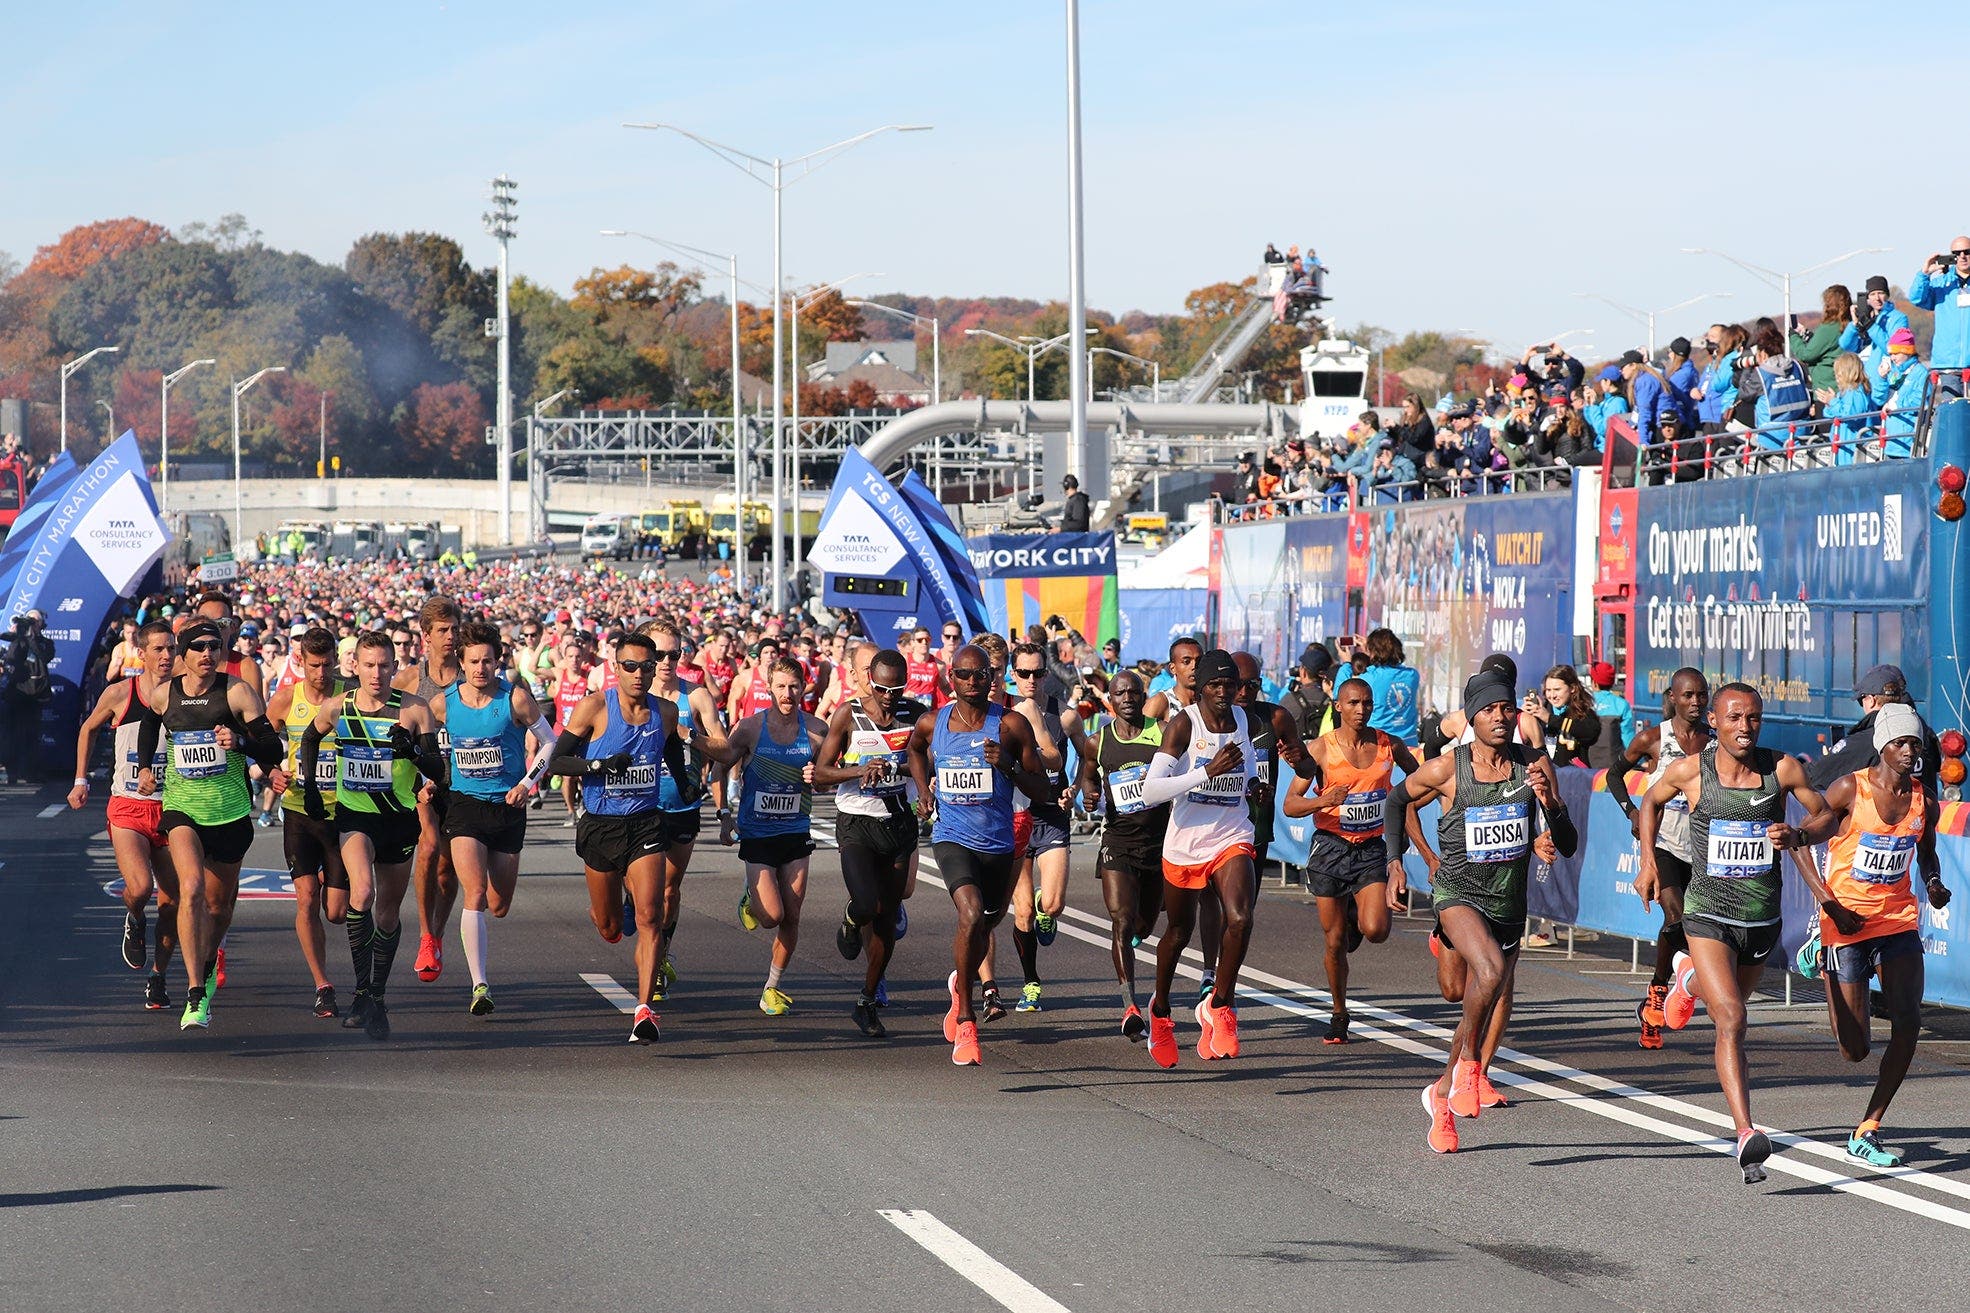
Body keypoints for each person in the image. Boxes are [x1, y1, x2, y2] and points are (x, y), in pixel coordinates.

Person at [1636, 683, 1827, 1183]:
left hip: (1761, 919)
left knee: (1728, 1002)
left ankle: (1688, 981)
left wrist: (1800, 834)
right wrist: (1649, 862)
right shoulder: (1690, 772)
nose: (1746, 727)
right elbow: (1649, 802)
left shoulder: (1781, 768)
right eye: (1736, 718)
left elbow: (1827, 813)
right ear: (1716, 723)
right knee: (1733, 1020)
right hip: (1708, 914)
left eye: (1755, 718)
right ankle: (1745, 1132)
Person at [1386, 669, 1575, 1153]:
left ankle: (1441, 1097)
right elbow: (1396, 800)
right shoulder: (1450, 767)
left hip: (1508, 903)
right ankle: (1471, 1066)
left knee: (1477, 999)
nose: (1499, 717)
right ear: (1472, 716)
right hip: (1457, 894)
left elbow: (1568, 842)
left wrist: (1548, 805)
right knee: (1488, 974)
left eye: (1506, 708)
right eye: (1489, 709)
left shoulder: (1532, 764)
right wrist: (1400, 863)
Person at [1788, 704, 1950, 1168]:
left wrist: (1934, 884)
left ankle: (1868, 1128)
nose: (1909, 751)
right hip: (1846, 924)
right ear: (1882, 746)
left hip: (1898, 920)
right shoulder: (1849, 789)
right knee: (1854, 1050)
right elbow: (1802, 840)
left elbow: (1927, 854)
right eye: (1900, 743)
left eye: (1915, 743)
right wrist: (1828, 904)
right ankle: (1821, 956)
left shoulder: (1925, 799)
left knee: (1908, 1023)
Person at [133, 619, 288, 1030]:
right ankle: (195, 989)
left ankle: (207, 955)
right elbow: (150, 725)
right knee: (192, 889)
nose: (207, 654)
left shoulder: (236, 691)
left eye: (214, 647)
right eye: (198, 647)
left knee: (219, 909)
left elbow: (272, 746)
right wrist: (147, 766)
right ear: (183, 655)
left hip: (231, 813)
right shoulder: (166, 693)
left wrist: (240, 743)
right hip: (183, 809)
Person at [904, 643, 1051, 1066]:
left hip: (998, 845)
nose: (972, 682)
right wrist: (924, 788)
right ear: (952, 678)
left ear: (992, 678)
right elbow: (915, 750)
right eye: (964, 675)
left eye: (980, 675)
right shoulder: (933, 723)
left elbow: (1043, 790)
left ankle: (960, 981)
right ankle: (966, 1019)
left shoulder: (1011, 725)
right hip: (951, 837)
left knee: (987, 924)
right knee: (969, 915)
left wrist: (1007, 765)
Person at [298, 632, 446, 1041]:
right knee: (360, 895)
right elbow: (310, 738)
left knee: (387, 914)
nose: (377, 673)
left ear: (394, 667)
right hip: (355, 817)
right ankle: (361, 992)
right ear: (355, 668)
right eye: (369, 665)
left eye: (384, 665)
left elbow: (438, 770)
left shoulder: (414, 710)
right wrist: (311, 787)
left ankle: (376, 995)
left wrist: (413, 753)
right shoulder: (338, 707)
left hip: (399, 820)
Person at [550, 630, 690, 1044]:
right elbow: (557, 761)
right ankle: (613, 915)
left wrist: (684, 784)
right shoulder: (594, 707)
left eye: (647, 666)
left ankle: (644, 1011)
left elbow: (672, 752)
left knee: (652, 917)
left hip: (645, 823)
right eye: (630, 666)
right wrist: (600, 766)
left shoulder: (665, 712)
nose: (639, 674)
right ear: (616, 668)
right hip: (600, 826)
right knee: (611, 927)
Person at [1135, 649, 1270, 1067]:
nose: (1224, 693)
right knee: (1177, 932)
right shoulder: (1182, 725)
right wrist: (1205, 773)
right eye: (1215, 685)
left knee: (1240, 918)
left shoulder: (1245, 721)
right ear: (1200, 688)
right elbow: (1150, 791)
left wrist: (1252, 787)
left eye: (1231, 685)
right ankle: (1160, 1013)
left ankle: (1221, 1004)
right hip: (1186, 843)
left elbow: (1246, 767)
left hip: (1231, 834)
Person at [1286, 677, 1423, 1043]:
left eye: (1366, 703)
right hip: (1330, 849)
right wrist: (1323, 800)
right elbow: (1291, 804)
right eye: (1353, 703)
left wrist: (1404, 811)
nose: (1361, 710)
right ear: (1338, 707)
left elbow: (1419, 779)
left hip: (1370, 849)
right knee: (1334, 943)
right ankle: (1339, 1011)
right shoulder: (1319, 750)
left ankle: (1356, 917)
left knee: (1376, 930)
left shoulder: (1388, 745)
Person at [429, 620, 553, 1018]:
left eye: (488, 661)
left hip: (509, 807)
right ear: (461, 663)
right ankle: (479, 983)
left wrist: (528, 783)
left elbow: (550, 742)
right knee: (475, 893)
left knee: (499, 904)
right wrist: (428, 778)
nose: (481, 668)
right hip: (465, 806)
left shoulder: (515, 698)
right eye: (474, 662)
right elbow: (418, 742)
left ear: (498, 661)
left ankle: (479, 964)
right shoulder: (444, 703)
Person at [701, 657, 825, 1016]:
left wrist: (818, 776)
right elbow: (719, 770)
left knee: (792, 915)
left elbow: (832, 776)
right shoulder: (751, 728)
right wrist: (724, 816)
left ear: (804, 688)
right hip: (757, 832)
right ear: (769, 688)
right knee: (770, 915)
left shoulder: (817, 730)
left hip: (795, 831)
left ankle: (772, 987)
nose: (788, 694)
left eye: (795, 687)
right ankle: (749, 900)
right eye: (781, 687)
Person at [69, 619, 180, 1008]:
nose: (167, 656)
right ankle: (134, 916)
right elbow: (88, 730)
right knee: (140, 888)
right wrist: (81, 780)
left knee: (172, 903)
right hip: (128, 807)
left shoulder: (186, 696)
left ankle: (159, 977)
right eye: (159, 649)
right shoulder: (121, 693)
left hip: (173, 810)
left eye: (172, 648)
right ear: (143, 653)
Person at [813, 644, 923, 1036]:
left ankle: (867, 999)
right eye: (882, 689)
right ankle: (849, 918)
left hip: (899, 823)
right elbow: (822, 774)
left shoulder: (915, 714)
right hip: (858, 822)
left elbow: (929, 760)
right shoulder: (850, 714)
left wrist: (907, 770)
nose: (890, 698)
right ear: (869, 683)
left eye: (897, 690)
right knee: (867, 903)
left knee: (887, 921)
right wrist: (858, 770)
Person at [1608, 669, 1711, 1050]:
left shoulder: (1714, 743)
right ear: (1673, 696)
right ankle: (1660, 993)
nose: (1696, 702)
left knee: (1690, 925)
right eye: (1688, 696)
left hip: (1701, 850)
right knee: (1675, 915)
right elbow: (1614, 775)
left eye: (1702, 695)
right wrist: (1633, 813)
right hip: (1663, 844)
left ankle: (1656, 990)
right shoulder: (1653, 739)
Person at [1075, 669, 1170, 1039]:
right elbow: (1088, 776)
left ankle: (1137, 941)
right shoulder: (1097, 741)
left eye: (1134, 692)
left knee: (1144, 924)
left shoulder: (1161, 732)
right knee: (1122, 920)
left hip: (1158, 843)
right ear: (1110, 700)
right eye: (1120, 693)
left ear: (1143, 695)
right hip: (1117, 840)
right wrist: (1089, 795)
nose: (1127, 698)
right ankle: (1129, 1006)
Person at [262, 627, 349, 1018]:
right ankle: (322, 984)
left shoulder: (350, 696)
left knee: (336, 912)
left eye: (327, 664)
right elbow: (260, 743)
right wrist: (270, 771)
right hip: (299, 810)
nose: (321, 673)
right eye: (314, 666)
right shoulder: (285, 700)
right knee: (306, 899)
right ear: (300, 662)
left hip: (343, 811)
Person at [646, 619, 725, 1001]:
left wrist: (688, 735)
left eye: (673, 654)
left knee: (667, 890)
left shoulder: (695, 697)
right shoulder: (629, 696)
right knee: (642, 894)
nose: (665, 662)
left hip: (683, 803)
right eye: (658, 654)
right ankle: (648, 943)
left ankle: (659, 959)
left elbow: (724, 748)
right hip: (638, 806)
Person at [1001, 641, 1081, 1012]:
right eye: (1023, 673)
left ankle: (1044, 906)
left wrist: (1076, 788)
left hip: (1049, 815)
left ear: (1046, 674)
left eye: (1037, 673)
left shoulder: (1063, 715)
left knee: (1052, 904)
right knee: (1022, 914)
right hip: (1016, 817)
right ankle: (1031, 982)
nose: (1030, 680)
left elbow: (1088, 753)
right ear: (1012, 674)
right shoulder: (1000, 713)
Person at [394, 595, 462, 984]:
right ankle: (423, 935)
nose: (450, 637)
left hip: (462, 782)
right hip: (420, 783)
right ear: (426, 636)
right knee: (430, 847)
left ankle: (436, 934)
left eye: (454, 629)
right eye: (443, 630)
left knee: (448, 869)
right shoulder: (408, 680)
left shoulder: (472, 677)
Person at [1806, 664, 1940, 797]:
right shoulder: (1922, 733)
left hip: (1882, 814)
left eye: (1861, 700)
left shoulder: (1866, 740)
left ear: (1871, 700)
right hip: (1921, 812)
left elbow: (1816, 775)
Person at [1910, 238, 1970, 390]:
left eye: (1967, 252)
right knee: (1953, 411)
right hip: (1948, 365)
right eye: (1956, 253)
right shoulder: (1941, 284)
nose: (1962, 256)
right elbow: (1916, 298)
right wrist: (1925, 273)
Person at [4, 609, 56, 784]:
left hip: (36, 697)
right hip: (17, 695)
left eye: (35, 621)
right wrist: (18, 637)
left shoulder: (46, 643)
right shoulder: (19, 641)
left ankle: (30, 772)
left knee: (32, 736)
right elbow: (11, 659)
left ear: (41, 624)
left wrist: (32, 637)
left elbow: (44, 657)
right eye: (29, 621)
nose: (31, 624)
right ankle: (12, 772)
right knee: (13, 735)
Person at [1356, 628, 1420, 745]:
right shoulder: (1412, 675)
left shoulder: (1368, 678)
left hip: (1380, 743)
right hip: (1408, 743)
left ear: (1372, 651)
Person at [1791, 285, 1853, 396]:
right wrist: (1807, 334)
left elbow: (1807, 355)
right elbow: (1827, 347)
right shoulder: (1850, 325)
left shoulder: (1829, 328)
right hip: (1845, 386)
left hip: (1826, 390)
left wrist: (1793, 337)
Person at [1534, 665, 1600, 767]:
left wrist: (1550, 719)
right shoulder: (1541, 711)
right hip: (1545, 776)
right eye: (1548, 690)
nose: (1552, 695)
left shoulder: (1583, 713)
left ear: (1572, 688)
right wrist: (1526, 717)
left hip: (1573, 777)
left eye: (1557, 689)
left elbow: (1591, 733)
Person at [1588, 661, 1633, 749]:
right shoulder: (1622, 704)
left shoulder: (1584, 702)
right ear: (1612, 683)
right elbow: (1627, 736)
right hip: (1613, 759)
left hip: (1586, 759)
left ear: (1594, 683)